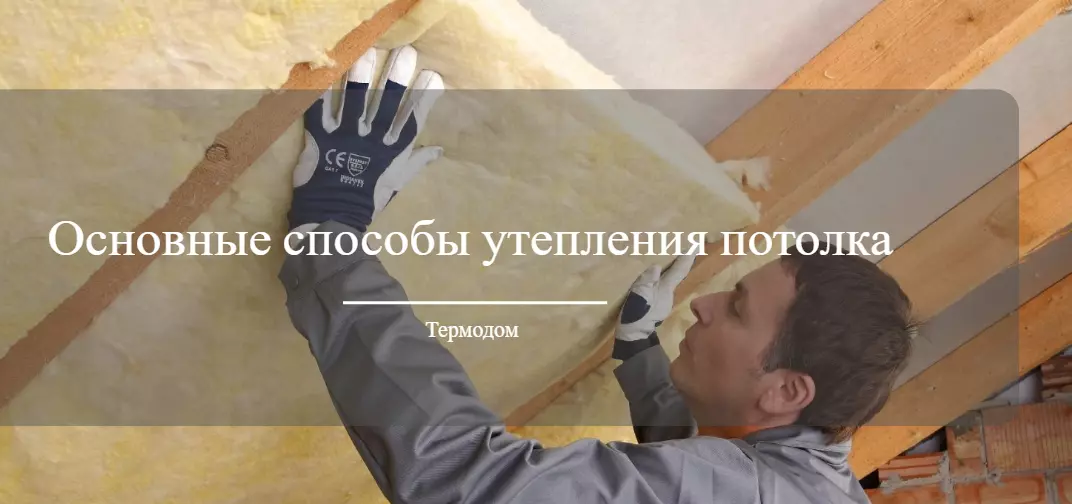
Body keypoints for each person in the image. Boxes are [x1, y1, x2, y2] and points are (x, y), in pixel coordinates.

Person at [279, 45, 916, 503]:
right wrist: (639, 355)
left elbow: (476, 483)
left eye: (738, 308)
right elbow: (720, 468)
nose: (703, 304)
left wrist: (331, 232)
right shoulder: (811, 476)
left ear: (785, 392)